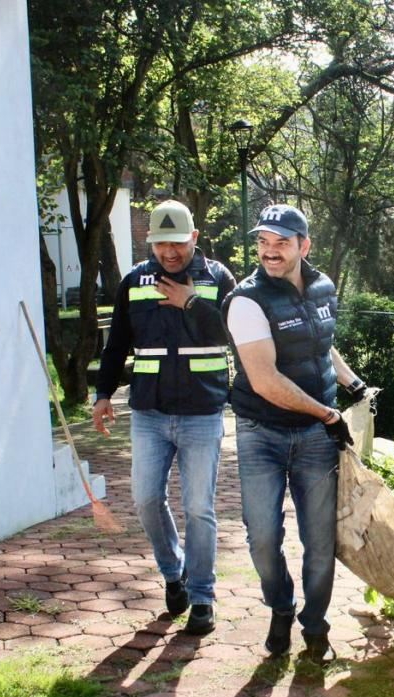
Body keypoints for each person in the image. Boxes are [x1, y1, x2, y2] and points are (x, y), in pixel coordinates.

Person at [224, 204, 367, 666]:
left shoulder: (322, 287)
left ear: (304, 246)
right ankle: (281, 607)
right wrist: (329, 414)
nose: (269, 252)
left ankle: (316, 627)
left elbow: (321, 342)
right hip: (261, 432)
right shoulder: (247, 301)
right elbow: (265, 381)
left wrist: (353, 384)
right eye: (263, 242)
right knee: (263, 538)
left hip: (314, 437)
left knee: (320, 540)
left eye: (281, 243)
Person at [92, 200, 235, 636]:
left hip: (201, 412)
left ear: (194, 237)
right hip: (150, 413)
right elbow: (117, 341)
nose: (169, 253)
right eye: (160, 245)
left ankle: (203, 596)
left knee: (199, 508)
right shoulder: (135, 281)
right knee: (145, 500)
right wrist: (102, 394)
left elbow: (233, 333)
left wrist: (191, 302)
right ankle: (174, 574)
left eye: (177, 243)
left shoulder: (218, 278)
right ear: (149, 242)